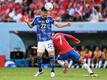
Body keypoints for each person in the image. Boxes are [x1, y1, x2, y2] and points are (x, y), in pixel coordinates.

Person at [24, 6, 71, 77]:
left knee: (51, 56)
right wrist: (27, 22)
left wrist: (66, 25)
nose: (46, 14)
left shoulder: (50, 19)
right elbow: (31, 26)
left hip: (48, 40)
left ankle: (52, 71)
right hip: (40, 41)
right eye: (45, 12)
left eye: (47, 12)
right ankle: (40, 70)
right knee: (39, 57)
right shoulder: (37, 19)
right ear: (41, 12)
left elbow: (58, 25)